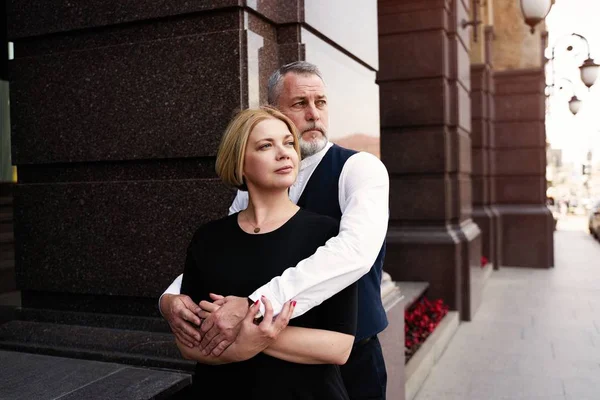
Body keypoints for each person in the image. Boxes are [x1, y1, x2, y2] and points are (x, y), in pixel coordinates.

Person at [161, 61, 390, 399]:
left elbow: (355, 252)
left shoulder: (358, 168)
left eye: (321, 102)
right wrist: (169, 298)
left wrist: (253, 310)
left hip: (350, 357)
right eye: (300, 103)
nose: (313, 114)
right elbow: (228, 255)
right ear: (273, 109)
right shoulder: (244, 195)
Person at [177, 106, 358, 399]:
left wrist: (250, 335)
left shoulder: (327, 234)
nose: (285, 153)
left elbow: (339, 347)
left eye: (289, 143)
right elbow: (188, 343)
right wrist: (241, 345)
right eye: (266, 146)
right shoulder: (208, 238)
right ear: (240, 163)